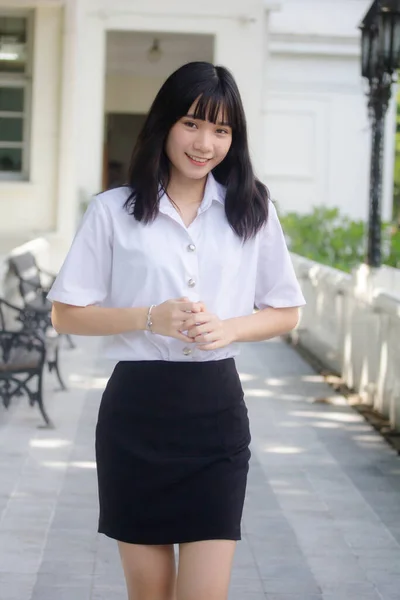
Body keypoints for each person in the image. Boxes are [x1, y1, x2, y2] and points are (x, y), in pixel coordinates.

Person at [47, 61, 306, 600]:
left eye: (221, 130)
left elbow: (286, 311)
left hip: (215, 416)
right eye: (192, 123)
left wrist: (229, 328)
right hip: (135, 417)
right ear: (165, 123)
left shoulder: (253, 211)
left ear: (234, 138)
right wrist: (148, 317)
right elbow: (66, 313)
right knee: (150, 594)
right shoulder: (113, 211)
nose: (205, 143)